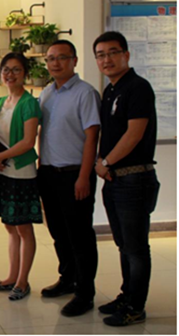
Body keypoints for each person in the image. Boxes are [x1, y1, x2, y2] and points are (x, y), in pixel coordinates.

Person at [93, 31, 159, 327]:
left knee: (135, 247)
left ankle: (135, 306)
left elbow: (134, 134)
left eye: (112, 52)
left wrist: (105, 162)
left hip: (134, 179)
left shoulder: (138, 87)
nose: (106, 59)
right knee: (123, 244)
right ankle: (126, 295)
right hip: (114, 179)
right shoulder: (110, 90)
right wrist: (104, 165)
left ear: (126, 55)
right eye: (101, 55)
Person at [37, 40, 101, 316]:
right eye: (51, 58)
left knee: (80, 235)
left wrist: (84, 176)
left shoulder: (86, 93)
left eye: (62, 57)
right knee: (58, 232)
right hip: (49, 173)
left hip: (75, 173)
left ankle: (85, 293)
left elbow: (92, 137)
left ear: (74, 60)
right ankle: (67, 278)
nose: (55, 63)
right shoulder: (47, 93)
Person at [0, 52, 42, 301]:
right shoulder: (0, 102)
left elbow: (28, 141)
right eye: (6, 69)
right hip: (2, 170)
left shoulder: (29, 103)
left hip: (21, 172)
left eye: (16, 69)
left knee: (23, 227)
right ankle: (11, 276)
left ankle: (23, 281)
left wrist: (0, 156)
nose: (10, 74)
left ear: (25, 74)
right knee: (10, 226)